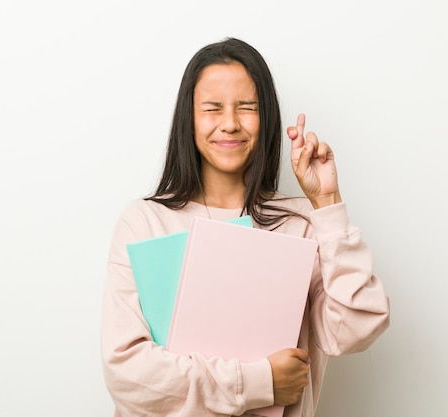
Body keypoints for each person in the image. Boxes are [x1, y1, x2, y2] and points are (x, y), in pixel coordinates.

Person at [101, 37, 390, 417]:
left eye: (247, 107)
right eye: (212, 108)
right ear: (188, 118)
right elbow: (129, 377)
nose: (230, 123)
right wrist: (260, 382)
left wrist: (327, 204)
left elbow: (355, 330)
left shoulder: (300, 224)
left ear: (266, 118)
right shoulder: (145, 221)